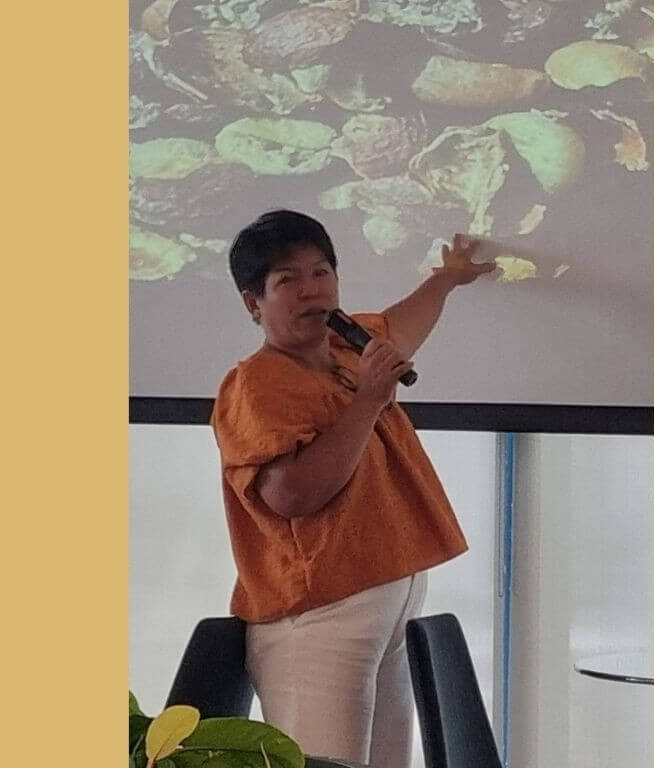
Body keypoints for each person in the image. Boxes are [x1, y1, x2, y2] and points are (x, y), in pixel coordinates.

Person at [210, 210, 495, 768]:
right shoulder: (256, 382)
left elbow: (403, 324)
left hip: (388, 601)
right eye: (287, 280)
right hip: (318, 618)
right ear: (254, 304)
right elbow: (292, 496)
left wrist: (447, 278)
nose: (311, 290)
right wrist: (368, 400)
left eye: (321, 272)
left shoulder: (349, 346)